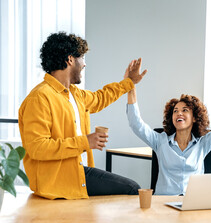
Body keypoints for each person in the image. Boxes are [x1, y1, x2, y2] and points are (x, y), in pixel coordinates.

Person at [18, 32, 147, 199]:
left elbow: (101, 97)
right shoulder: (39, 98)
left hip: (78, 172)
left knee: (128, 190)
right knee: (132, 188)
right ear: (70, 59)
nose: (84, 64)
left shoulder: (75, 94)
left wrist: (129, 82)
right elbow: (37, 148)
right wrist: (85, 142)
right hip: (61, 179)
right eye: (82, 58)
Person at [126, 65, 211, 195]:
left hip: (193, 205)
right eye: (175, 111)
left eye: (185, 110)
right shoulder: (160, 141)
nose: (179, 114)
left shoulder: (203, 144)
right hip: (163, 205)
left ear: (194, 118)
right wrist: (130, 85)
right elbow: (135, 123)